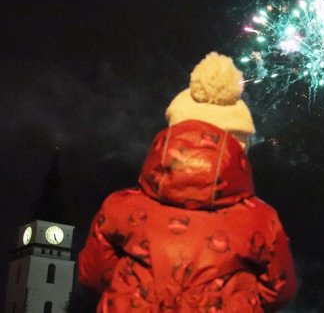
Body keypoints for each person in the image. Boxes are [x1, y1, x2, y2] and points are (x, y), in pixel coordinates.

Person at [78, 52, 297, 312]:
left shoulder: (120, 207)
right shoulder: (260, 219)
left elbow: (93, 273)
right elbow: (280, 290)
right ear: (240, 147)